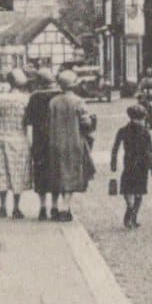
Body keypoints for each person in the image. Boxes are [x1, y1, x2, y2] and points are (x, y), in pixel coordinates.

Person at [48, 69, 96, 221]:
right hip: (74, 142)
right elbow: (86, 123)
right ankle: (65, 208)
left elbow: (49, 121)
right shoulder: (78, 101)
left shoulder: (53, 101)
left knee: (57, 173)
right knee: (71, 174)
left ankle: (53, 206)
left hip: (55, 142)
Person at [0, 69, 32, 218]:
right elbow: (29, 122)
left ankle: (2, 206)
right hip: (19, 139)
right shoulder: (25, 99)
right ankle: (16, 207)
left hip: (2, 138)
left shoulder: (0, 98)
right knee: (17, 173)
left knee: (2, 172)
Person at [110, 104, 152, 228]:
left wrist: (113, 163)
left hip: (129, 164)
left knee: (128, 189)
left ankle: (130, 210)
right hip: (142, 165)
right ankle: (133, 215)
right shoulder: (145, 132)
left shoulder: (123, 130)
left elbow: (115, 148)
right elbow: (150, 151)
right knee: (138, 192)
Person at [25, 68, 59, 221]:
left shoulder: (34, 97)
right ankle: (55, 206)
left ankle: (42, 207)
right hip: (56, 139)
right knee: (55, 173)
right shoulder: (58, 95)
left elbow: (28, 121)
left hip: (39, 141)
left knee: (40, 174)